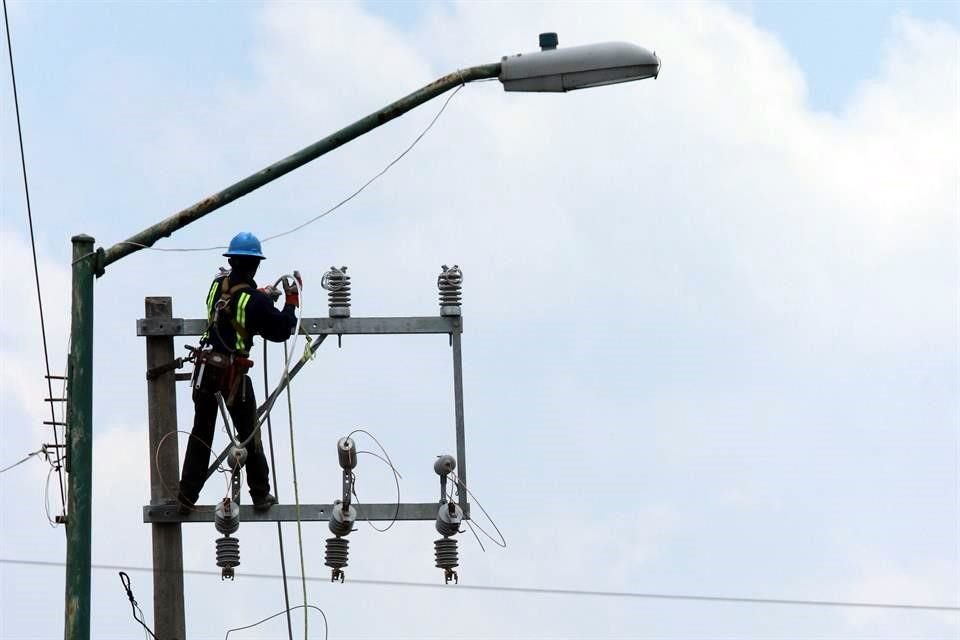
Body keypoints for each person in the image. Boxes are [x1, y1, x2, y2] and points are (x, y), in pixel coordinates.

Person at [177, 231, 300, 513]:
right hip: (233, 375)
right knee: (249, 432)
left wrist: (262, 296)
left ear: (231, 261)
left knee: (201, 433)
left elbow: (236, 305)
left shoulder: (216, 286)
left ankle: (186, 495)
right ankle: (260, 493)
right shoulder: (254, 303)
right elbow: (281, 329)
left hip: (206, 369)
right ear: (255, 265)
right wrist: (290, 302)